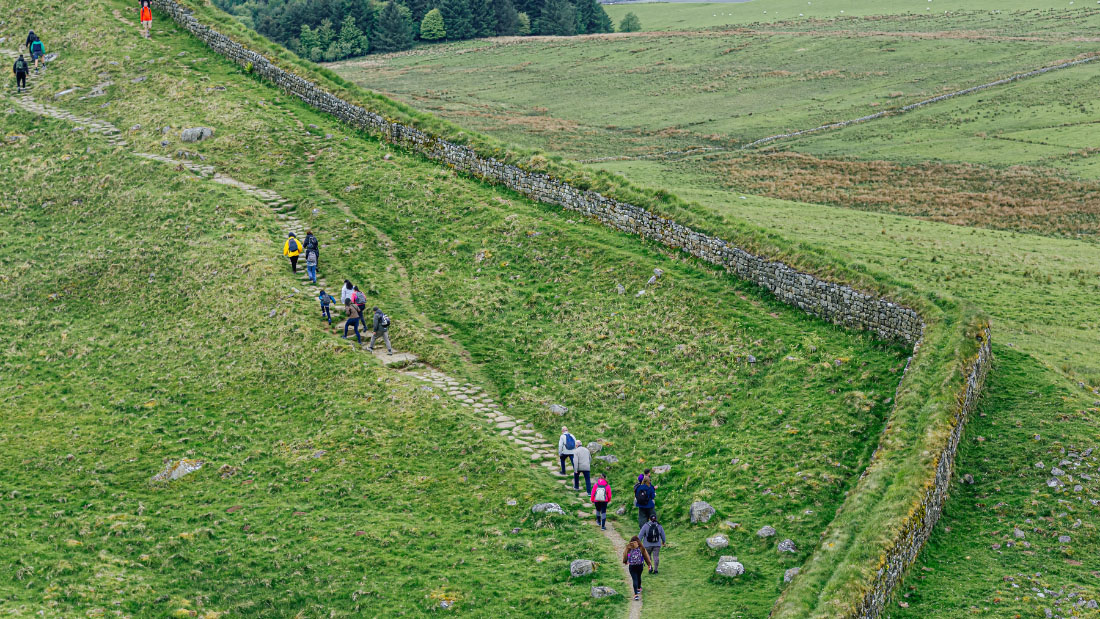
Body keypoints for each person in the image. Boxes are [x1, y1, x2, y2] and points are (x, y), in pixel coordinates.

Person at [622, 535, 652, 601]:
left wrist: (625, 561)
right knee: (639, 576)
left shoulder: (629, 547)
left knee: (634, 579)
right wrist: (649, 564)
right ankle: (639, 588)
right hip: (640, 565)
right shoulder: (641, 547)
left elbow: (625, 554)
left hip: (632, 566)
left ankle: (636, 595)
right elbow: (646, 556)